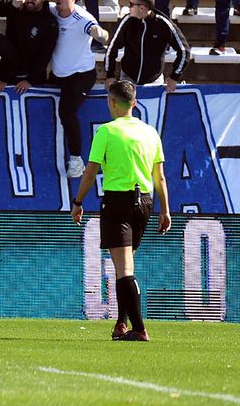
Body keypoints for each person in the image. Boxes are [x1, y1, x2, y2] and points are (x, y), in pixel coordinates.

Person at [71, 79, 171, 342]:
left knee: (124, 268)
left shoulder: (106, 131)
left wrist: (78, 202)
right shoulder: (150, 132)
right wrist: (165, 211)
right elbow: (159, 177)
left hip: (117, 202)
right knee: (123, 266)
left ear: (111, 102)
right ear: (134, 102)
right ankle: (121, 324)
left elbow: (90, 173)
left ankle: (139, 329)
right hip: (145, 202)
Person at [52, 0, 110, 179]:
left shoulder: (82, 17)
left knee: (67, 111)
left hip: (80, 75)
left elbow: (99, 32)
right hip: (59, 73)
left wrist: (99, 34)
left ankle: (77, 159)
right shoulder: (52, 11)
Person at [106, 0, 188, 94]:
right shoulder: (127, 21)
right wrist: (110, 75)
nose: (128, 7)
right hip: (127, 78)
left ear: (142, 8)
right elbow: (111, 48)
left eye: (131, 5)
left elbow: (184, 50)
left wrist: (174, 77)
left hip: (154, 81)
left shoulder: (163, 23)